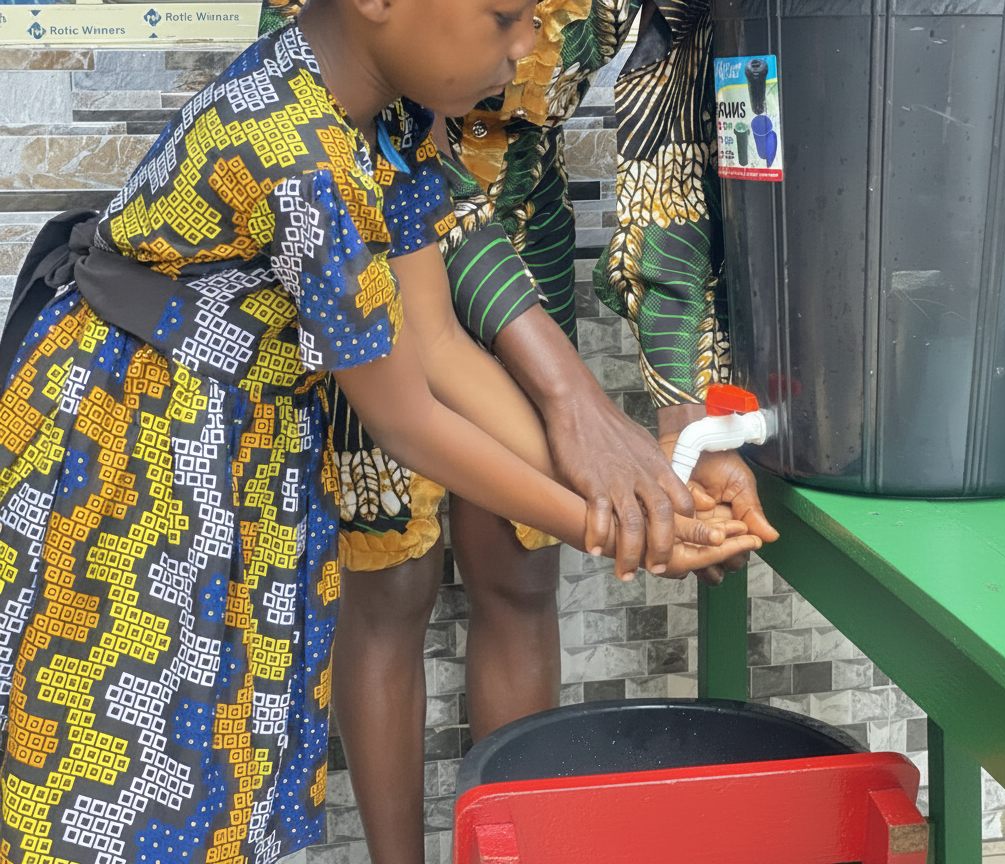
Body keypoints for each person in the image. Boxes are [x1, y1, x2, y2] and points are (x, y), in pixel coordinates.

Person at [0, 1, 762, 859]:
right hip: (140, 455)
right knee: (122, 756)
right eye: (506, 17)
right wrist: (608, 528)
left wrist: (637, 496)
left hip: (234, 436)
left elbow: (437, 343)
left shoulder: (386, 114)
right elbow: (406, 419)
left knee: (215, 739)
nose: (529, 45)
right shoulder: (302, 160)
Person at [256, 2, 781, 862]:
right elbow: (397, 177)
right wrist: (584, 433)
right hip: (365, 244)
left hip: (517, 235)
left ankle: (504, 847)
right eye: (509, 18)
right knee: (387, 584)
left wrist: (681, 428)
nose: (531, 41)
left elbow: (674, 142)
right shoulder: (312, 127)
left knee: (521, 569)